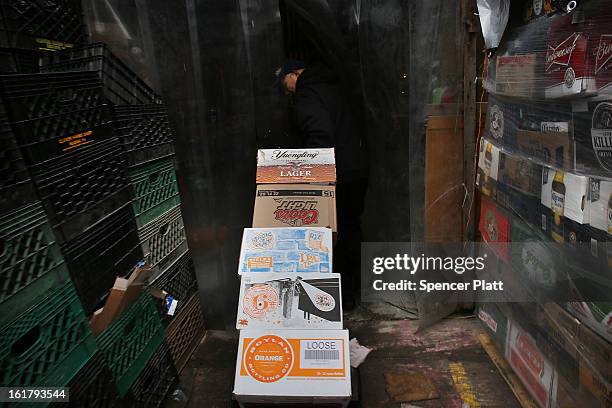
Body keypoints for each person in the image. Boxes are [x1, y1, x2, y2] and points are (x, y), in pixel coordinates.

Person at [278, 59, 368, 310]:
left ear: (294, 75)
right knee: (350, 228)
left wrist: (309, 173)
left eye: (286, 84)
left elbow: (320, 135)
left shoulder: (308, 91)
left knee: (330, 233)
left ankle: (337, 297)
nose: (288, 91)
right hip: (356, 167)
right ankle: (352, 290)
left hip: (335, 174)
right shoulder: (335, 83)